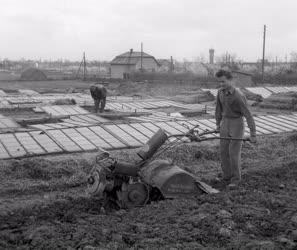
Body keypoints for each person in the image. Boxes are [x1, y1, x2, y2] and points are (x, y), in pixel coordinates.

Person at [215, 69, 257, 187]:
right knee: (223, 151)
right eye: (219, 82)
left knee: (233, 153)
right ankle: (227, 176)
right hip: (225, 123)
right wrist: (218, 124)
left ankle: (236, 179)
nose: (221, 84)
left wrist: (253, 133)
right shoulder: (220, 92)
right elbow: (218, 109)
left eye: (223, 82)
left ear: (230, 80)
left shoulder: (238, 96)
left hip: (237, 123)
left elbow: (248, 114)